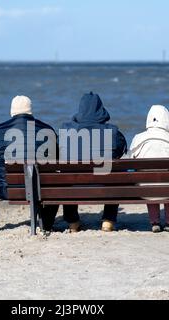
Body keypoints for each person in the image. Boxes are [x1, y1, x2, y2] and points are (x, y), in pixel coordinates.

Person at [0, 96, 58, 233]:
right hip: (41, 190)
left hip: (7, 189)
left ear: (12, 112)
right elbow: (56, 162)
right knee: (56, 183)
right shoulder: (47, 130)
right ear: (30, 111)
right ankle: (46, 223)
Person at [59, 92, 127, 233]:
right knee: (117, 174)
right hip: (104, 186)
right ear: (101, 109)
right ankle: (108, 220)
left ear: (80, 109)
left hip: (74, 187)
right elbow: (121, 151)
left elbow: (58, 152)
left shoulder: (66, 131)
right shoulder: (113, 132)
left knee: (66, 175)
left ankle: (73, 221)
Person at [130, 105, 169, 233]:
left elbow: (132, 160)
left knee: (147, 179)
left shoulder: (138, 138)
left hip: (146, 188)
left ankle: (155, 222)